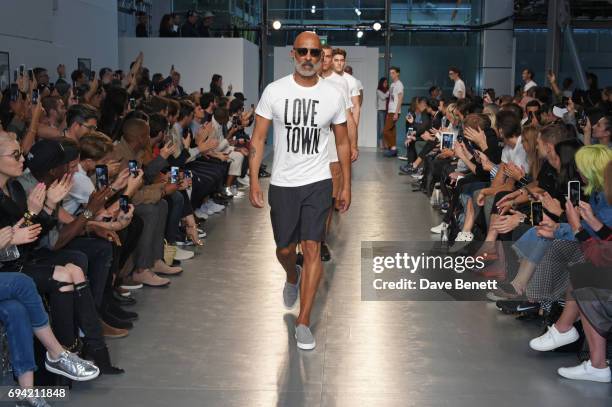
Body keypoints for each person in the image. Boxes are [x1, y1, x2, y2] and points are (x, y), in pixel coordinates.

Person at [248, 31, 351, 350]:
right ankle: (291, 276)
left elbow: (343, 141)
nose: (308, 58)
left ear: (322, 58)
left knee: (312, 248)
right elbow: (258, 139)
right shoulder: (275, 91)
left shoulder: (333, 95)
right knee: (284, 249)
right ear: (293, 54)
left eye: (314, 53)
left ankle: (303, 321)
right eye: (303, 52)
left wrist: (345, 183)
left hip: (318, 182)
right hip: (283, 183)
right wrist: (253, 180)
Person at [383, 66, 404, 157]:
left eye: (393, 73)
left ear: (398, 73)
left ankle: (393, 148)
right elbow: (389, 98)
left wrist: (396, 112)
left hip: (395, 111)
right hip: (391, 110)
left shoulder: (399, 84)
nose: (391, 75)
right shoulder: (392, 85)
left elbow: (400, 99)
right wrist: (388, 112)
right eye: (390, 73)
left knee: (386, 130)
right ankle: (393, 149)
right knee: (391, 130)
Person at [377, 77, 389, 148]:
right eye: (384, 83)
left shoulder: (387, 91)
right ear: (381, 83)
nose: (386, 84)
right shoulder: (378, 91)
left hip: (387, 111)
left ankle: (385, 142)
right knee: (381, 128)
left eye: (386, 83)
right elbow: (383, 97)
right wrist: (388, 92)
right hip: (381, 111)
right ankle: (381, 142)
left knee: (386, 128)